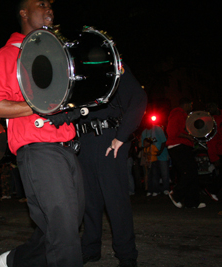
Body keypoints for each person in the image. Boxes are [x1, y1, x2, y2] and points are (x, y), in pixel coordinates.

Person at [0, 1, 85, 266]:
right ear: (23, 13)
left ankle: (17, 260)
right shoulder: (7, 55)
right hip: (39, 150)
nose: (49, 9)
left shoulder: (56, 53)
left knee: (66, 224)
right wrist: (40, 105)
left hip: (67, 147)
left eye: (51, 5)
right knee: (65, 230)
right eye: (41, 4)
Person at [76, 63, 147, 267]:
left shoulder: (112, 65)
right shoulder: (76, 70)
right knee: (88, 200)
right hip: (83, 141)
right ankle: (90, 248)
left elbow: (138, 98)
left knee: (115, 199)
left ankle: (126, 253)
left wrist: (122, 136)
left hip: (108, 138)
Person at [166, 97, 206, 209]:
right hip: (177, 147)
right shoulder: (177, 114)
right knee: (188, 172)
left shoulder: (184, 116)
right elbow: (173, 132)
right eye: (191, 104)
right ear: (187, 104)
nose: (192, 107)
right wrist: (188, 136)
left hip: (183, 146)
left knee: (192, 173)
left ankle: (192, 202)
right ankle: (176, 194)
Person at [140, 115, 170, 195]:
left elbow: (164, 141)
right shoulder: (144, 132)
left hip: (161, 155)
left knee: (164, 172)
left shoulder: (157, 129)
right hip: (152, 157)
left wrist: (160, 151)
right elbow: (143, 145)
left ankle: (166, 188)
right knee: (154, 174)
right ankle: (155, 190)